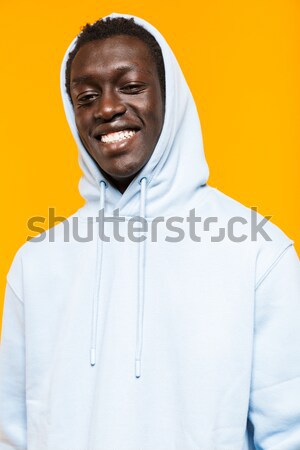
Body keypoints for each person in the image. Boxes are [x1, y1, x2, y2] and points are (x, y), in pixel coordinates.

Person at [0, 11, 300, 450]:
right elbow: (13, 434)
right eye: (85, 97)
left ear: (170, 97)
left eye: (131, 86)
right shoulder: (36, 263)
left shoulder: (257, 252)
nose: (106, 108)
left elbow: (288, 434)